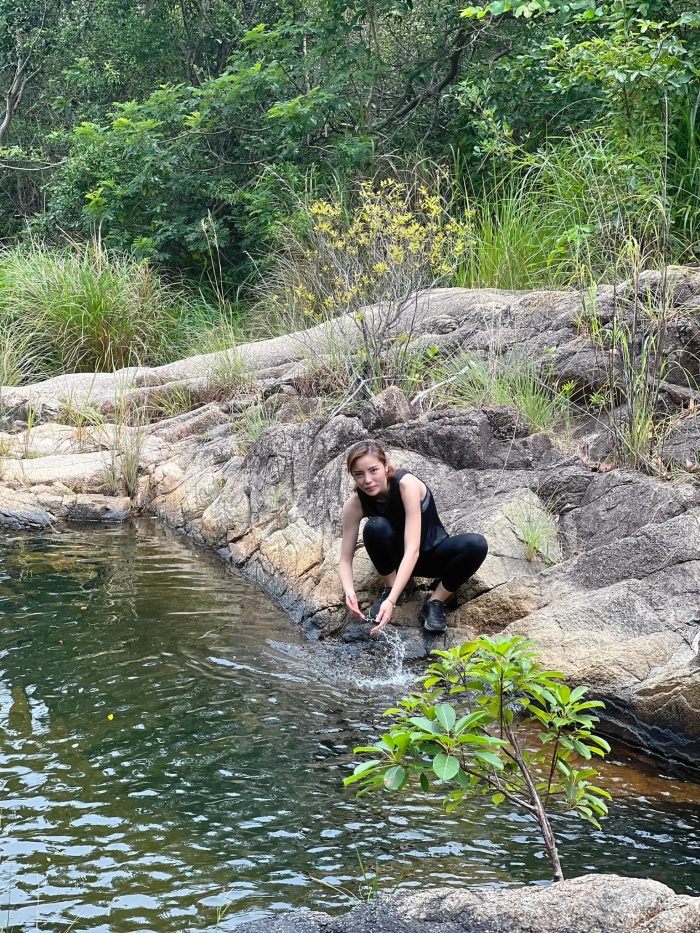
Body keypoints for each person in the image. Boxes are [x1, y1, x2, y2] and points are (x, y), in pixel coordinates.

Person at [338, 439, 488, 635]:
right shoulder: (356, 503)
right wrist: (349, 591)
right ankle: (393, 588)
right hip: (397, 562)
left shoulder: (405, 485)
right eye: (359, 474)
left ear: (385, 466)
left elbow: (413, 550)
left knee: (476, 544)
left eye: (373, 470)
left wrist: (390, 602)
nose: (367, 480)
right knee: (375, 527)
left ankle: (435, 602)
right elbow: (344, 560)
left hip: (430, 555)